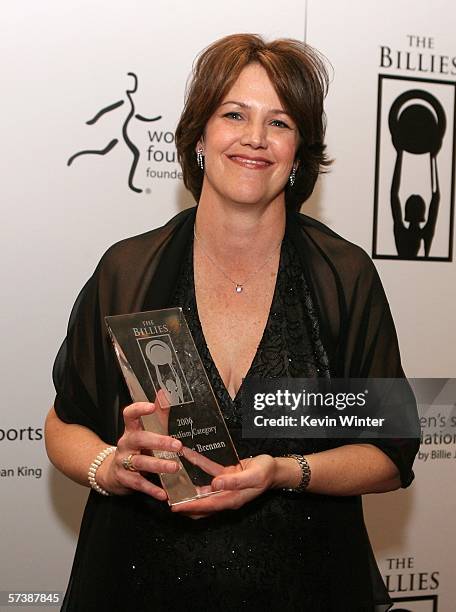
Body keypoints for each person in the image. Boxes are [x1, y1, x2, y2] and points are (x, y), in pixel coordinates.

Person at [45, 34, 419, 611]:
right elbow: (63, 424)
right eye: (234, 114)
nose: (255, 138)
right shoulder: (130, 270)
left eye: (280, 122)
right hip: (139, 585)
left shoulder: (342, 278)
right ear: (199, 137)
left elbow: (389, 455)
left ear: (299, 153)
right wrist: (112, 467)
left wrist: (285, 471)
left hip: (307, 587)